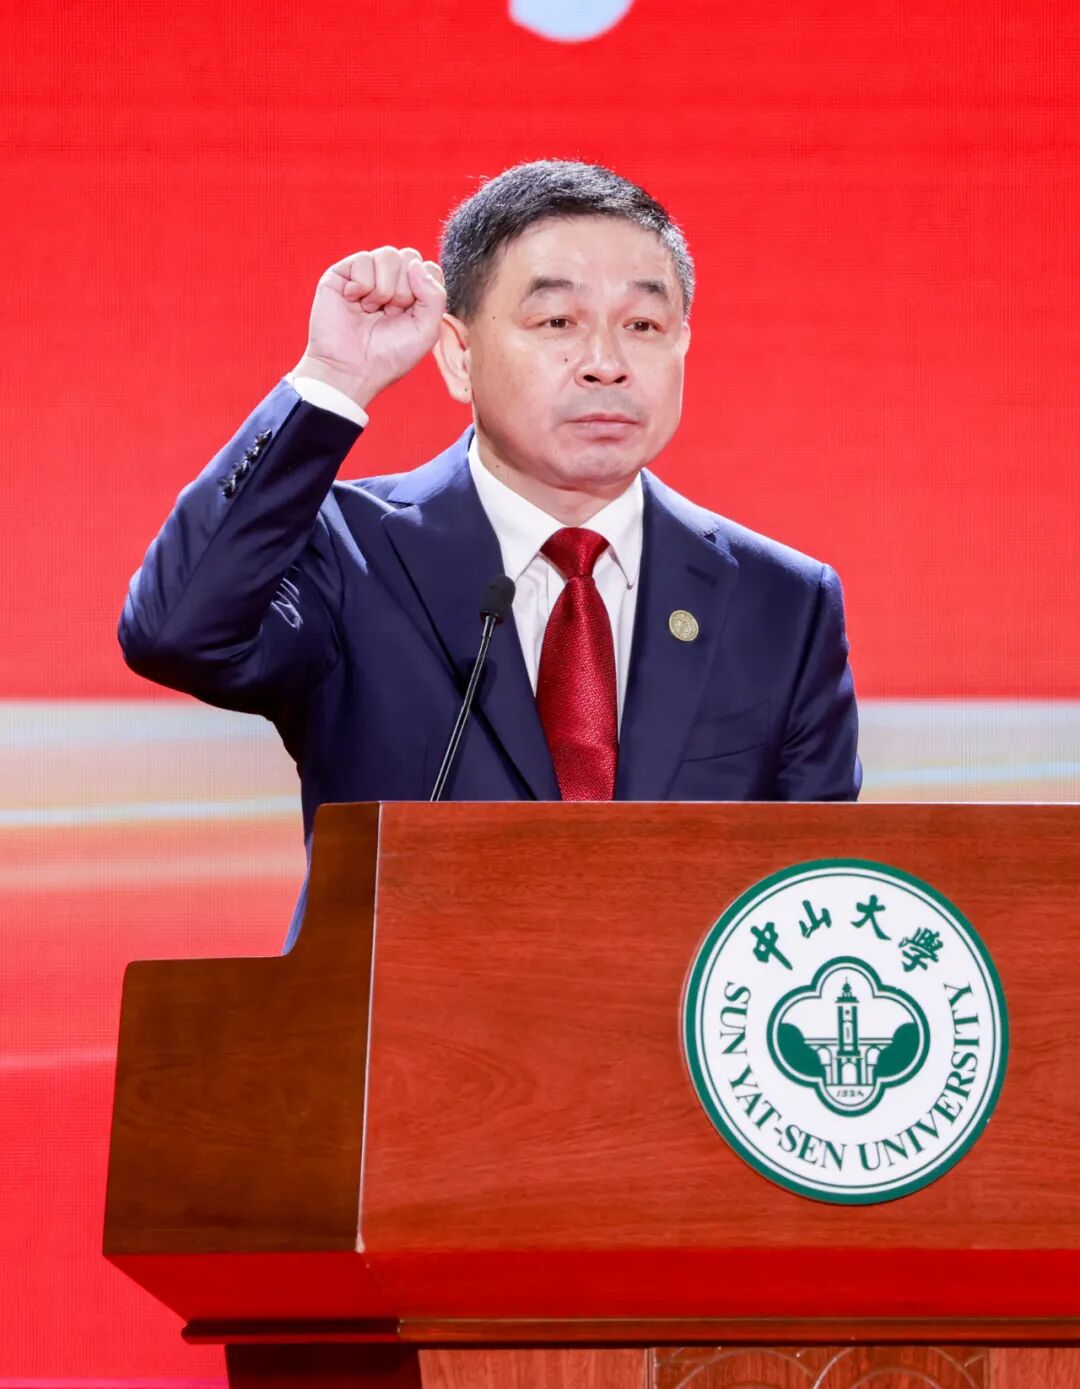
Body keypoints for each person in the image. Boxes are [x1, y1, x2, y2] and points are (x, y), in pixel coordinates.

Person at [119, 160, 861, 951]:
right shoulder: (350, 550)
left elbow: (812, 898)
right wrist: (332, 380)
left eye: (643, 326)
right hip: (405, 1024)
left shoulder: (783, 602)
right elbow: (175, 631)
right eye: (557, 322)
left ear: (682, 343)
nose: (606, 361)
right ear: (458, 353)